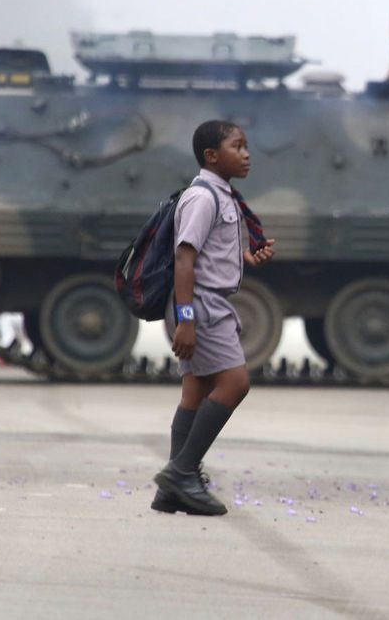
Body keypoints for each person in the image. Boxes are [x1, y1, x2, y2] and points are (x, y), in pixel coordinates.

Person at [153, 120, 275, 515]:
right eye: (237, 146)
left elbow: (206, 252)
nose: (246, 153)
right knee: (236, 382)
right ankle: (182, 472)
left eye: (246, 145)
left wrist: (243, 258)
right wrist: (186, 320)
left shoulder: (221, 195)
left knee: (196, 391)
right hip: (202, 305)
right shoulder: (203, 197)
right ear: (211, 156)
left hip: (205, 301)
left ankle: (171, 491)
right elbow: (184, 260)